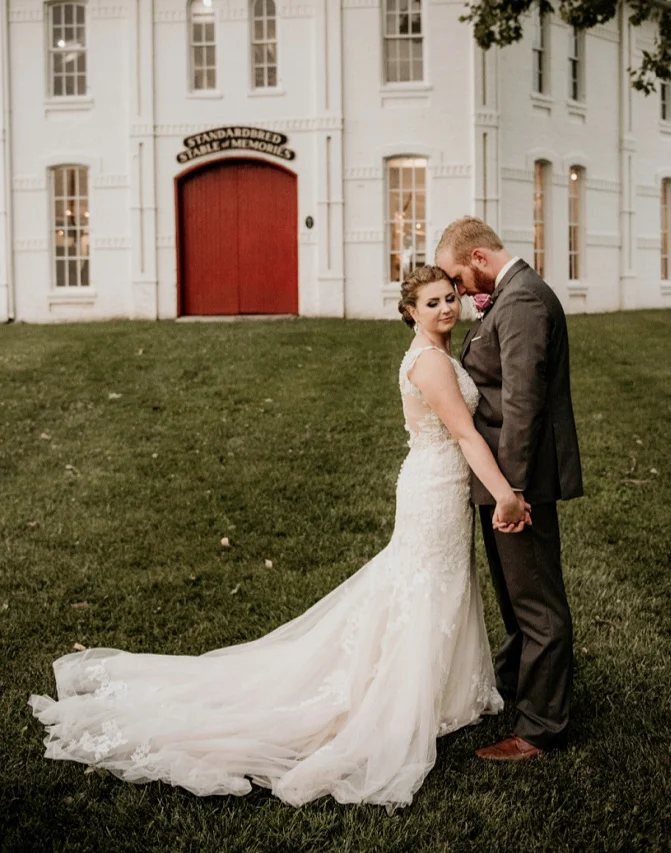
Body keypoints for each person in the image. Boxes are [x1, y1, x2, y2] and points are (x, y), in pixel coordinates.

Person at [29, 266, 529, 813]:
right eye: (432, 302)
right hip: (434, 488)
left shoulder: (434, 353)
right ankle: (398, 699)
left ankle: (437, 692)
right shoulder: (430, 362)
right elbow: (464, 434)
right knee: (423, 587)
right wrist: (505, 495)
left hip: (440, 485)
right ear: (410, 311)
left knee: (430, 586)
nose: (446, 308)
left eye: (450, 298)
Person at [435, 216, 583, 760]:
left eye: (456, 277)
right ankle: (516, 689)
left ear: (478, 257)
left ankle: (540, 728)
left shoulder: (521, 301)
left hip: (519, 483)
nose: (456, 290)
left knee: (537, 604)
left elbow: (523, 402)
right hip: (501, 479)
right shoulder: (510, 295)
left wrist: (512, 491)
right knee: (517, 599)